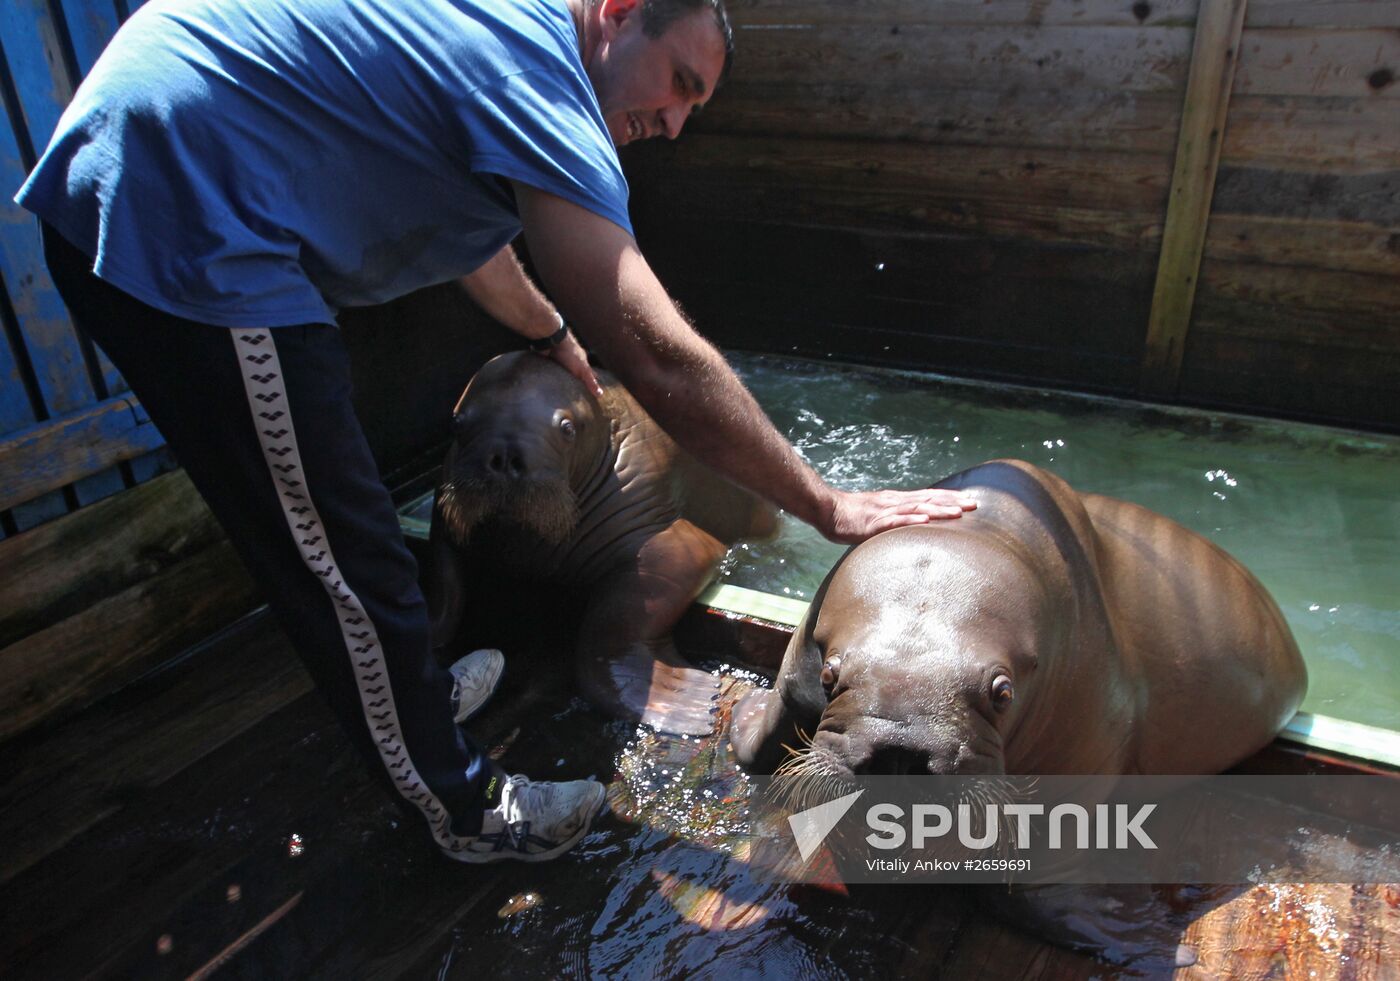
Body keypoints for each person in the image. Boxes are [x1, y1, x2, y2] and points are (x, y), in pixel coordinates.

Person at [16, 0, 976, 864]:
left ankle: (416, 701)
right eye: (679, 84)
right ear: (618, 13)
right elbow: (656, 357)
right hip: (178, 201)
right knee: (342, 546)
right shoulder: (545, 77)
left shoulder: (499, 43)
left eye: (697, 107)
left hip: (152, 164)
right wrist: (824, 502)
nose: (676, 123)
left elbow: (479, 244)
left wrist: (549, 330)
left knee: (335, 513)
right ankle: (466, 808)